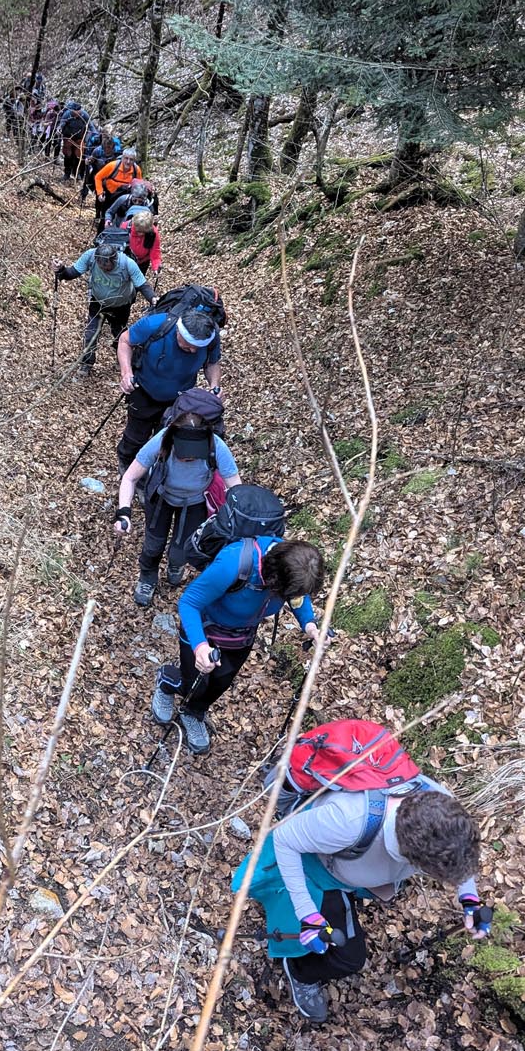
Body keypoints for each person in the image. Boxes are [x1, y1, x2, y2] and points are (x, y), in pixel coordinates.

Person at [238, 765, 487, 1023]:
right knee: (349, 959)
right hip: (318, 872)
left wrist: (469, 897)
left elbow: (459, 851)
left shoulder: (442, 806)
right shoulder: (348, 821)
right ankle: (300, 971)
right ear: (409, 856)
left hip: (352, 865)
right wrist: (307, 914)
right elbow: (284, 839)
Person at [151, 538, 324, 755]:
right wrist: (200, 647)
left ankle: (193, 712)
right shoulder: (234, 562)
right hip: (204, 630)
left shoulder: (290, 568)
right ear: (273, 579)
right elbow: (189, 602)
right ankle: (167, 682)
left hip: (241, 637)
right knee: (194, 683)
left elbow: (298, 598)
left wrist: (309, 624)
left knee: (219, 683)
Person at [114, 393, 240, 606]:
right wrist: (124, 512)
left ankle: (176, 564)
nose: (188, 458)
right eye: (183, 454)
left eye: (193, 455)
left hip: (195, 502)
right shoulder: (162, 439)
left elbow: (236, 487)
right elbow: (130, 477)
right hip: (161, 498)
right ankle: (147, 577)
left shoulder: (216, 446)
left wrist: (238, 519)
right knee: (153, 545)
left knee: (182, 549)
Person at [115, 307, 222, 472]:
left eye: (197, 347)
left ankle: (156, 470)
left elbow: (212, 363)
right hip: (144, 389)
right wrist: (126, 372)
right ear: (179, 332)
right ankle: (127, 462)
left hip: (180, 399)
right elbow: (125, 340)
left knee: (167, 436)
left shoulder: (210, 337)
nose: (193, 350)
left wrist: (214, 385)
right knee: (136, 434)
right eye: (189, 346)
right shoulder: (155, 324)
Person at [54, 238, 154, 377]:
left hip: (121, 306)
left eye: (106, 265)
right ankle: (87, 363)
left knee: (119, 333)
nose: (103, 267)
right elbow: (72, 273)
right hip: (98, 303)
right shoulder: (90, 256)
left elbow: (142, 285)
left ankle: (122, 358)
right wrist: (61, 270)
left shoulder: (127, 264)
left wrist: (153, 299)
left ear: (114, 260)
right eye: (100, 264)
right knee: (91, 333)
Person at [94, 147, 143, 229]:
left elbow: (139, 185)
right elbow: (98, 177)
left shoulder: (136, 170)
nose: (128, 162)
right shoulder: (112, 166)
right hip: (110, 195)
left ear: (134, 160)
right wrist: (100, 193)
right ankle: (101, 234)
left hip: (126, 198)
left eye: (131, 159)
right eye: (126, 158)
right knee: (105, 217)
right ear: (122, 158)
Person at [126, 209, 161, 277]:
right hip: (127, 262)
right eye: (138, 231)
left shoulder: (153, 233)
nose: (140, 234)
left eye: (143, 232)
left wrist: (156, 266)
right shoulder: (126, 227)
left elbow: (155, 251)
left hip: (143, 262)